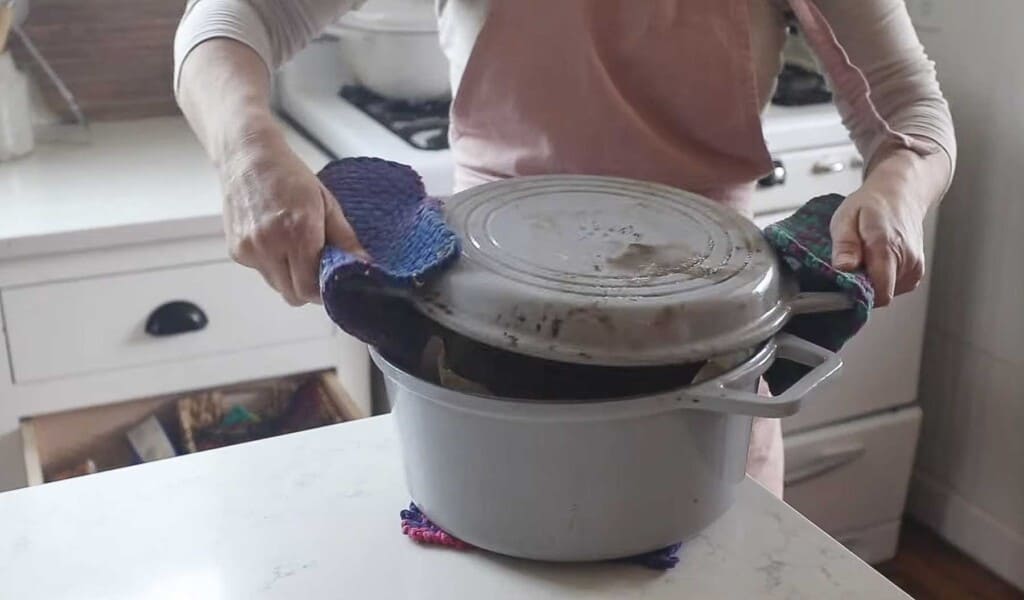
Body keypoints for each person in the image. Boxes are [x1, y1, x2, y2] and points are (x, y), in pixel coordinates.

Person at [173, 0, 955, 498]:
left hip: (705, 355)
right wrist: (246, 153)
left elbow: (913, 113)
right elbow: (228, 23)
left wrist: (897, 189)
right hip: (484, 343)